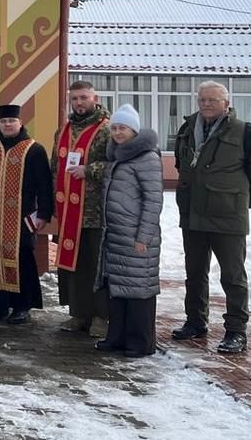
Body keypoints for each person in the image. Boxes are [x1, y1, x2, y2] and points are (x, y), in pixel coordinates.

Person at [172, 80, 251, 354]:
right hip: (193, 214)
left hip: (228, 216)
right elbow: (182, 164)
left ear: (226, 103)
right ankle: (195, 321)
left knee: (232, 276)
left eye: (212, 100)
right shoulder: (187, 128)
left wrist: (241, 202)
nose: (206, 104)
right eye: (202, 99)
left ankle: (236, 331)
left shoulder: (245, 132)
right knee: (194, 273)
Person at [95, 105, 163, 358]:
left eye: (122, 127)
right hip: (116, 235)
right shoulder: (118, 156)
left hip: (136, 236)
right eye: (114, 128)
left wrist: (143, 237)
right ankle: (118, 337)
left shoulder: (147, 158)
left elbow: (153, 200)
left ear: (134, 130)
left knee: (138, 291)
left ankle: (140, 342)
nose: (118, 132)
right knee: (118, 289)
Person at [0, 103, 52, 324]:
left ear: (20, 123)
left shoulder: (34, 149)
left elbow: (45, 185)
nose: (7, 125)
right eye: (3, 121)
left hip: (22, 216)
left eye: (11, 121)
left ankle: (22, 306)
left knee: (22, 259)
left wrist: (43, 214)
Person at [53, 81, 112, 339]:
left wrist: (88, 171)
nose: (79, 103)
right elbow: (54, 166)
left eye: (83, 98)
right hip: (68, 212)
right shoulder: (63, 131)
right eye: (74, 99)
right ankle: (79, 313)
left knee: (95, 265)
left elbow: (116, 165)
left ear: (94, 98)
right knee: (73, 267)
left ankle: (101, 317)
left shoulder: (107, 130)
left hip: (95, 212)